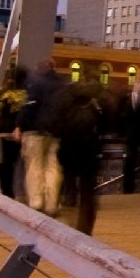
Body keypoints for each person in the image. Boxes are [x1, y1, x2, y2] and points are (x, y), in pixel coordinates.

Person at [51, 75, 111, 233]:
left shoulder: (65, 98)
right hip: (90, 151)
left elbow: (54, 125)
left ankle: (68, 223)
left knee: (67, 187)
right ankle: (85, 229)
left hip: (68, 149)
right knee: (88, 192)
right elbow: (109, 125)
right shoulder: (99, 101)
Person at [16, 60, 68, 214]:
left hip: (35, 131)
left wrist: (19, 124)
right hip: (55, 132)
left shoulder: (35, 84)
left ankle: (37, 201)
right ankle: (52, 203)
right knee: (53, 167)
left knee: (35, 166)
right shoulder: (62, 85)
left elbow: (29, 106)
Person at [0, 68, 31, 196]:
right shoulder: (28, 94)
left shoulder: (0, 93)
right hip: (23, 134)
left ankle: (7, 192)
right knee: (22, 164)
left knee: (5, 165)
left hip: (3, 134)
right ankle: (21, 192)